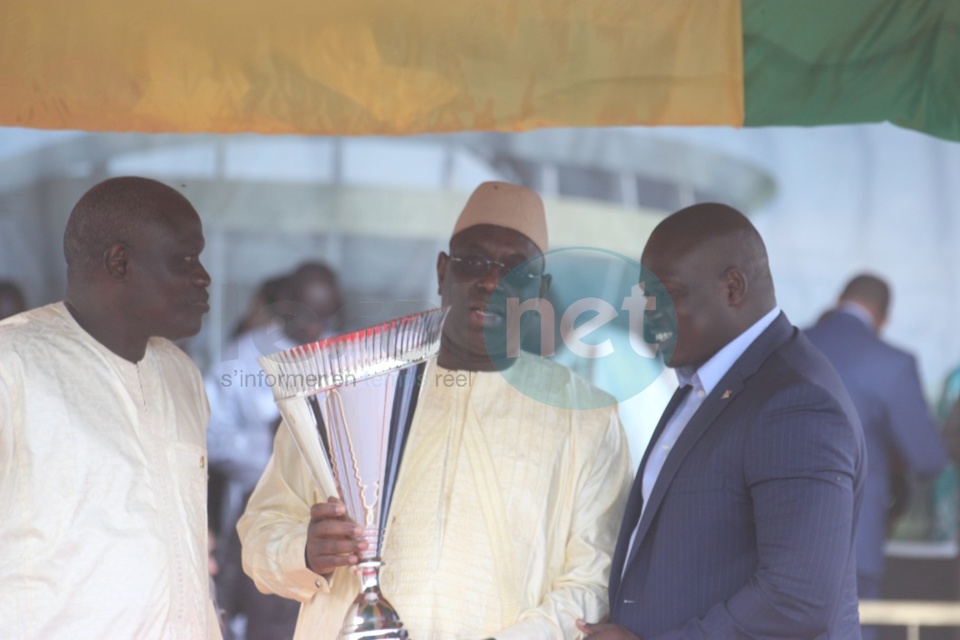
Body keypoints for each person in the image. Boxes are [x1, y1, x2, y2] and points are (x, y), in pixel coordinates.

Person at [238, 181, 633, 639]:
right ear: (443, 271)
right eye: (473, 262)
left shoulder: (584, 415)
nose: (491, 281)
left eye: (515, 269)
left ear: (539, 290)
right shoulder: (345, 389)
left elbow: (590, 582)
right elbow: (261, 531)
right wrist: (303, 552)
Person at [579, 203, 865, 639]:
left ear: (733, 287)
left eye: (668, 294)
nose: (648, 313)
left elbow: (798, 600)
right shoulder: (703, 385)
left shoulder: (794, 404)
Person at [0, 176, 221, 638]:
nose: (204, 277)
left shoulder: (182, 376)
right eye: (184, 260)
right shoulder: (13, 364)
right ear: (119, 262)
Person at [205, 262, 342, 640]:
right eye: (308, 315)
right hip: (252, 515)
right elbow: (210, 435)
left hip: (327, 524)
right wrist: (271, 447)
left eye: (326, 316)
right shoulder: (241, 356)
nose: (316, 327)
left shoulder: (343, 357)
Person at [804, 274, 947, 615]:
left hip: (772, 536)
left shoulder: (786, 346)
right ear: (883, 318)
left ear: (839, 300)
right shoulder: (892, 364)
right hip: (853, 543)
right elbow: (927, 459)